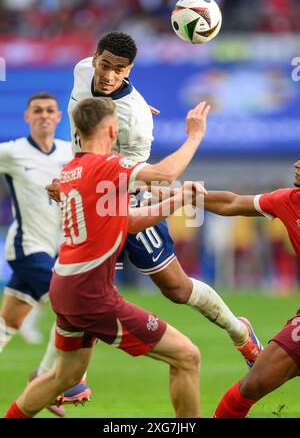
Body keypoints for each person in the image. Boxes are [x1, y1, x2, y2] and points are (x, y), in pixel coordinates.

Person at [33, 31, 263, 405]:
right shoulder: (80, 71)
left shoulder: (135, 120)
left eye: (119, 70)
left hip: (124, 197)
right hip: (89, 191)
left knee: (176, 289)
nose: (109, 76)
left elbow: (151, 178)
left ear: (130, 70)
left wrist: (148, 114)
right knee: (77, 280)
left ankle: (240, 333)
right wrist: (73, 181)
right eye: (105, 65)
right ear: (94, 59)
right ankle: (64, 378)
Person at [5, 96, 209, 418]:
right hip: (91, 294)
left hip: (65, 288)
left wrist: (179, 200)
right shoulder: (108, 166)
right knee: (187, 356)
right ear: (112, 130)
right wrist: (195, 135)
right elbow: (166, 173)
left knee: (65, 376)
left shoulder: (72, 170)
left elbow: (130, 221)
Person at [200, 161, 300, 417]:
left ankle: (258, 354)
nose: (296, 164)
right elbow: (231, 203)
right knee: (252, 385)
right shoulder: (288, 201)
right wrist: (181, 196)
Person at [0, 92, 73, 416]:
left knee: (9, 321)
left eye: (49, 111)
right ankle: (45, 378)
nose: (44, 115)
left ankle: (44, 376)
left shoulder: (70, 153)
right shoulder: (13, 152)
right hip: (26, 249)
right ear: (27, 117)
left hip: (55, 249)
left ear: (59, 117)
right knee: (74, 304)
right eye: (37, 111)